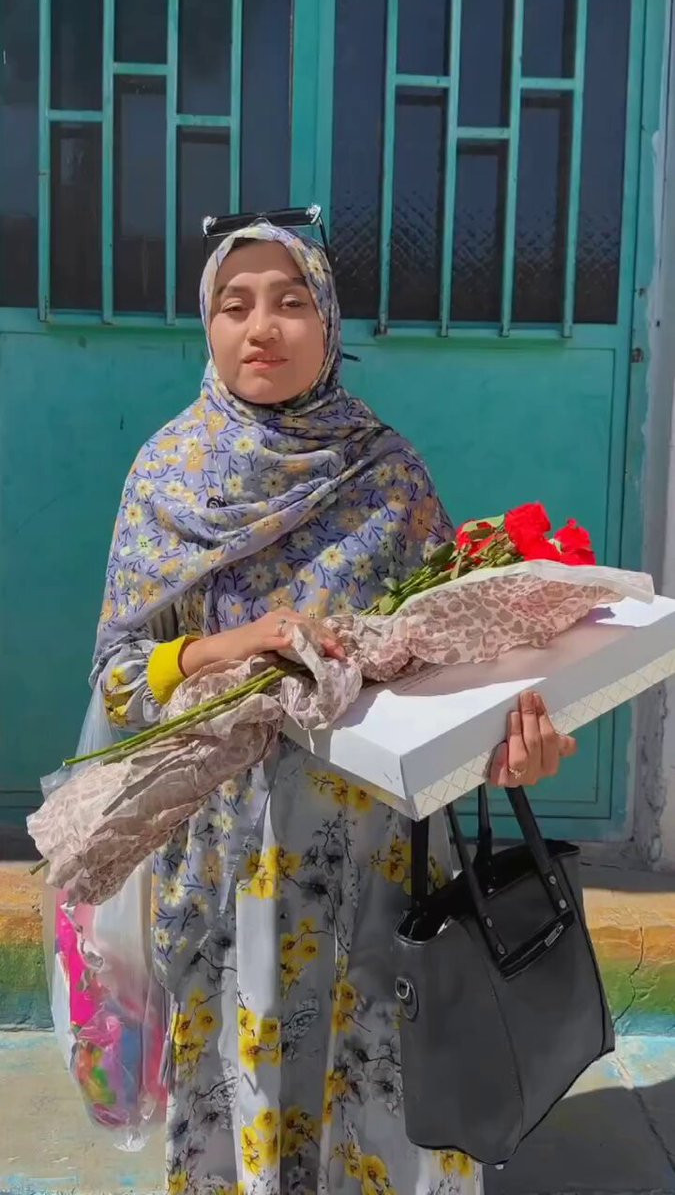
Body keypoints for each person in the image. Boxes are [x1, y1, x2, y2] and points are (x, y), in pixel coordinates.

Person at [93, 221, 577, 1195]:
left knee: (377, 1094)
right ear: (206, 325)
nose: (261, 327)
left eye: (290, 301)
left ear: (329, 323)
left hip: (376, 866)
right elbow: (120, 676)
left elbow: (449, 657)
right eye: (234, 305)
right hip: (229, 867)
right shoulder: (167, 475)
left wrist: (515, 742)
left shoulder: (385, 473)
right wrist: (237, 644)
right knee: (249, 1098)